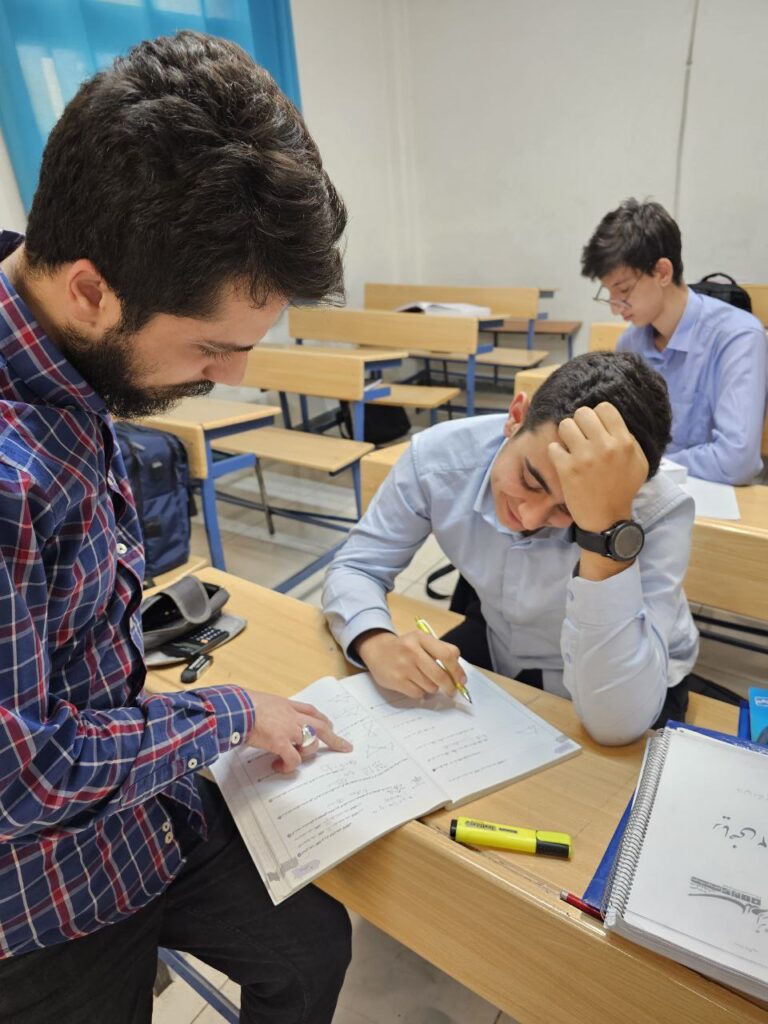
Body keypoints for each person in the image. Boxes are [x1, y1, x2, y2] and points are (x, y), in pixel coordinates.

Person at [0, 32, 353, 1024]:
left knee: (312, 945)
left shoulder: (65, 346)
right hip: (40, 892)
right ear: (90, 289)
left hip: (138, 812)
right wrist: (228, 714)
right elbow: (26, 778)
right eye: (210, 346)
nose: (231, 376)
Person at [323, 351, 700, 748]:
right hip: (498, 637)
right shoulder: (439, 459)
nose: (530, 516)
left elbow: (615, 723)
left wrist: (605, 533)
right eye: (530, 479)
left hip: (628, 672)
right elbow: (358, 566)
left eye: (569, 510)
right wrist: (375, 640)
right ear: (516, 416)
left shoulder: (656, 511)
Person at [581, 197, 767, 485]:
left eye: (624, 290)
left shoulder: (737, 337)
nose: (615, 308)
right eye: (609, 293)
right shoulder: (630, 344)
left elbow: (736, 460)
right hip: (646, 490)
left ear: (663, 272)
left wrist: (647, 466)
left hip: (714, 492)